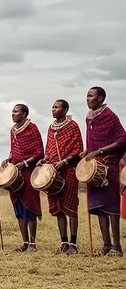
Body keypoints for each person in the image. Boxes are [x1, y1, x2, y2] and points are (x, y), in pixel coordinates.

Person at [80, 87, 126, 256]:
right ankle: (106, 245)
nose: (87, 99)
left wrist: (100, 151)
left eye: (91, 96)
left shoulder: (110, 116)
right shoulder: (88, 116)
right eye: (87, 96)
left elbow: (123, 139)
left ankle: (117, 246)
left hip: (109, 165)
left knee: (111, 206)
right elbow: (90, 138)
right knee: (99, 207)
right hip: (94, 167)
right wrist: (87, 150)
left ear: (100, 98)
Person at [38, 100, 83, 254]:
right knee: (58, 208)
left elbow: (78, 148)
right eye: (52, 107)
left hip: (69, 169)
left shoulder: (73, 126)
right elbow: (48, 149)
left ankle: (74, 244)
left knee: (70, 206)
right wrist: (45, 159)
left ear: (65, 110)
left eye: (56, 107)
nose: (53, 109)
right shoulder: (51, 128)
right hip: (53, 171)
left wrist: (65, 161)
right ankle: (63, 242)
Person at [2, 104, 44, 252]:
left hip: (28, 172)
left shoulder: (32, 128)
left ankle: (32, 243)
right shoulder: (13, 130)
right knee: (18, 209)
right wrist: (9, 159)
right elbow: (14, 150)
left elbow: (40, 152)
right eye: (12, 112)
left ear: (24, 113)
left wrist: (25, 163)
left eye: (16, 111)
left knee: (30, 207)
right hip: (15, 174)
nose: (13, 114)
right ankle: (24, 242)